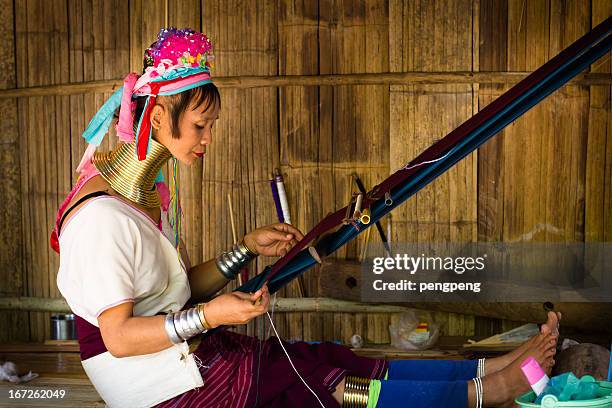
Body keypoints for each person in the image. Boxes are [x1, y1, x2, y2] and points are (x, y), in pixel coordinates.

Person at [52, 27, 560, 408]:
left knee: (327, 356)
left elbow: (176, 291)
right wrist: (214, 316)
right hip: (160, 391)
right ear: (159, 116)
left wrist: (246, 248)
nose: (207, 140)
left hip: (180, 362)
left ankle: (486, 368)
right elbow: (118, 337)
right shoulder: (101, 220)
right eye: (200, 125)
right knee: (327, 387)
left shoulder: (138, 198)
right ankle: (487, 393)